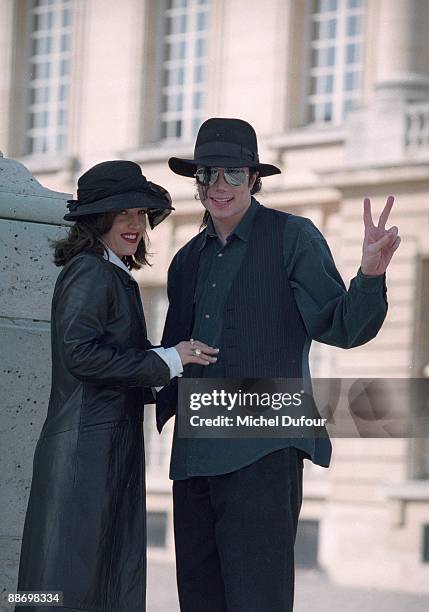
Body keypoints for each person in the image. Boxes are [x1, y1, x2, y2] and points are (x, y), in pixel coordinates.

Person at [156, 118, 401, 612]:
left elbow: (341, 327)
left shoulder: (294, 237)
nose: (217, 186)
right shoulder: (185, 260)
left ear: (252, 178)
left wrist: (370, 275)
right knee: (200, 602)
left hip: (263, 449)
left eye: (231, 174)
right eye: (207, 175)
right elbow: (168, 359)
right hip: (194, 455)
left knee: (257, 601)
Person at [15, 160, 218, 612]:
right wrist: (167, 358)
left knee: (97, 583)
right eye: (122, 213)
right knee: (64, 587)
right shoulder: (90, 271)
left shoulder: (112, 273)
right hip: (85, 456)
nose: (135, 224)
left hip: (103, 450)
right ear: (96, 218)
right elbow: (80, 354)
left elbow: (110, 359)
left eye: (141, 213)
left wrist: (175, 365)